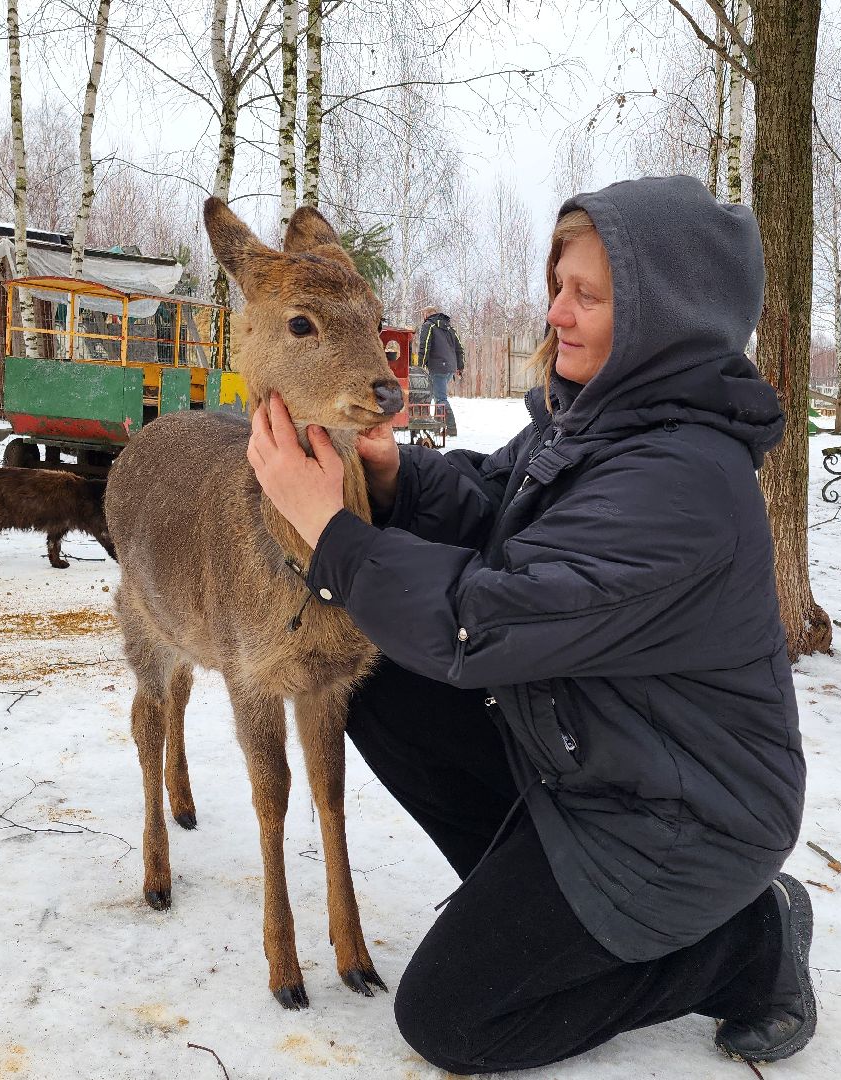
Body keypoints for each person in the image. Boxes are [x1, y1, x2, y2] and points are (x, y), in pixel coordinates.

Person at [247, 174, 812, 1073]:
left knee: (452, 1019)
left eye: (588, 294)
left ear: (668, 315)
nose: (558, 313)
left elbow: (483, 620)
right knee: (374, 677)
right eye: (558, 286)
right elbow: (495, 503)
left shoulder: (683, 482)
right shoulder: (591, 417)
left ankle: (744, 945)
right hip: (594, 758)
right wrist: (397, 478)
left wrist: (332, 535)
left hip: (683, 818)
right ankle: (549, 915)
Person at [414, 304, 465, 435]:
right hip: (450, 367)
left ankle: (451, 428)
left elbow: (424, 347)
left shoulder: (428, 326)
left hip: (437, 367)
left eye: (423, 315)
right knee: (437, 397)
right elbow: (460, 348)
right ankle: (437, 428)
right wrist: (460, 367)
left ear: (426, 314)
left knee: (441, 398)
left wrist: (420, 366)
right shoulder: (450, 328)